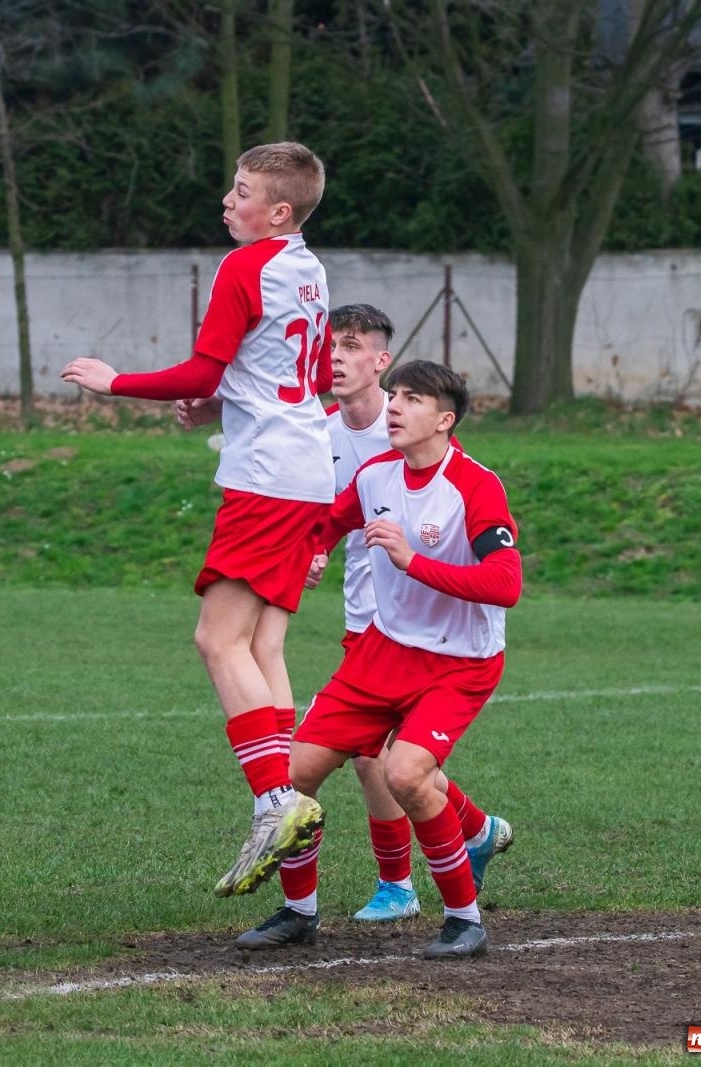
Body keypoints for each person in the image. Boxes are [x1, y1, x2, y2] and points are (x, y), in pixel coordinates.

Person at [62, 142, 331, 896]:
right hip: (305, 467)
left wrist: (114, 381)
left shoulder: (245, 266)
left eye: (241, 191)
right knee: (264, 644)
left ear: (278, 211)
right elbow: (293, 375)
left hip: (267, 476)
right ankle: (289, 823)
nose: (226, 199)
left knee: (217, 638)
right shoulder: (307, 265)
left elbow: (202, 368)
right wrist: (223, 401)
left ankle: (277, 800)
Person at [219, 306, 511, 948]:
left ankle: (464, 919)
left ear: (445, 420)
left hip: (459, 663)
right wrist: (306, 551)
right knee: (289, 778)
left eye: (413, 399)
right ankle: (299, 912)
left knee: (405, 774)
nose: (396, 408)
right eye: (396, 396)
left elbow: (506, 584)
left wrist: (415, 561)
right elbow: (324, 524)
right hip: (381, 653)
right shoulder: (375, 475)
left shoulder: (474, 488)